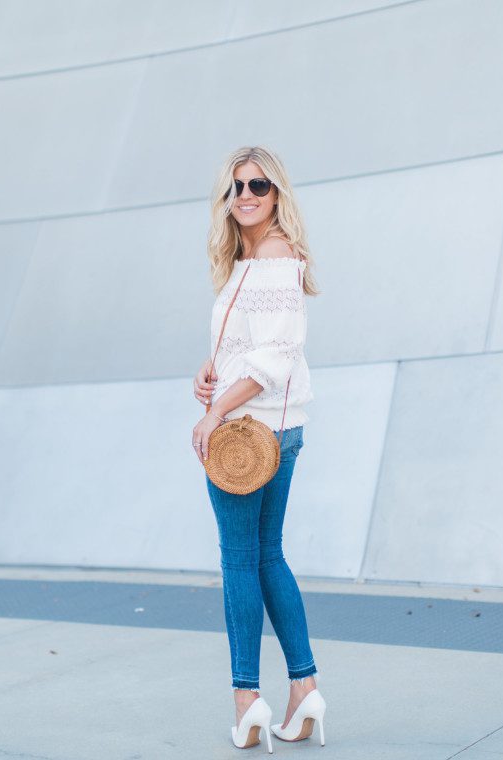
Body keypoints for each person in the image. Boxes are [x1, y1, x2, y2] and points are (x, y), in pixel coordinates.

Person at [191, 146, 327, 750]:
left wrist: (216, 411)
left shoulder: (273, 257)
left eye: (259, 184)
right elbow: (254, 344)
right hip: (280, 427)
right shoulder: (255, 261)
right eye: (236, 186)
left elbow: (274, 357)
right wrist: (210, 369)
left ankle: (247, 698)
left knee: (239, 561)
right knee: (267, 557)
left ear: (277, 195)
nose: (246, 194)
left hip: (249, 434)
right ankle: (305, 690)